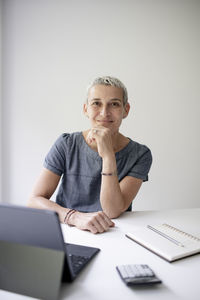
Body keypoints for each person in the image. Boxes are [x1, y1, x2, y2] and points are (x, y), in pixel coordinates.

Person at [28, 76, 152, 234]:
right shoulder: (66, 144)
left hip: (115, 233)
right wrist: (74, 217)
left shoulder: (140, 154)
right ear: (86, 109)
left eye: (114, 104)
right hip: (68, 230)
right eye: (96, 103)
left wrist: (107, 156)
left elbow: (112, 211)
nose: (104, 112)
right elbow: (34, 201)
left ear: (125, 110)